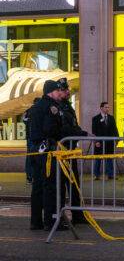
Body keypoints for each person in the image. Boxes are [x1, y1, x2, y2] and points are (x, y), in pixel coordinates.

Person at [29, 80, 67, 231]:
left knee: (37, 186)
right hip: (48, 150)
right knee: (50, 186)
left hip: (35, 149)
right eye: (58, 91)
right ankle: (50, 221)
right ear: (51, 91)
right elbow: (51, 129)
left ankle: (35, 221)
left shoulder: (36, 106)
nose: (60, 93)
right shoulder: (51, 107)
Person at [57, 78, 88, 224]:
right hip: (62, 151)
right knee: (62, 185)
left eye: (67, 89)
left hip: (70, 150)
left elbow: (73, 125)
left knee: (74, 184)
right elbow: (66, 129)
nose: (68, 92)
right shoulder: (59, 107)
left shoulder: (67, 106)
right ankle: (62, 215)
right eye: (64, 90)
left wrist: (81, 133)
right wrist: (82, 134)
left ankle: (77, 215)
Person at [92, 102, 119, 180]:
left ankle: (110, 174)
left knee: (109, 158)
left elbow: (115, 129)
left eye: (108, 107)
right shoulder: (96, 118)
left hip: (109, 142)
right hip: (99, 142)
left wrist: (116, 139)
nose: (107, 109)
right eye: (106, 107)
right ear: (101, 108)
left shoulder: (111, 118)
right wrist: (96, 141)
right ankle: (96, 175)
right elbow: (94, 131)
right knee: (98, 159)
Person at [22, 97, 41, 184]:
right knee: (36, 157)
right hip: (36, 138)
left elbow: (24, 120)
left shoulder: (28, 111)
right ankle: (35, 177)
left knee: (30, 157)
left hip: (30, 138)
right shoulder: (39, 110)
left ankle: (30, 177)